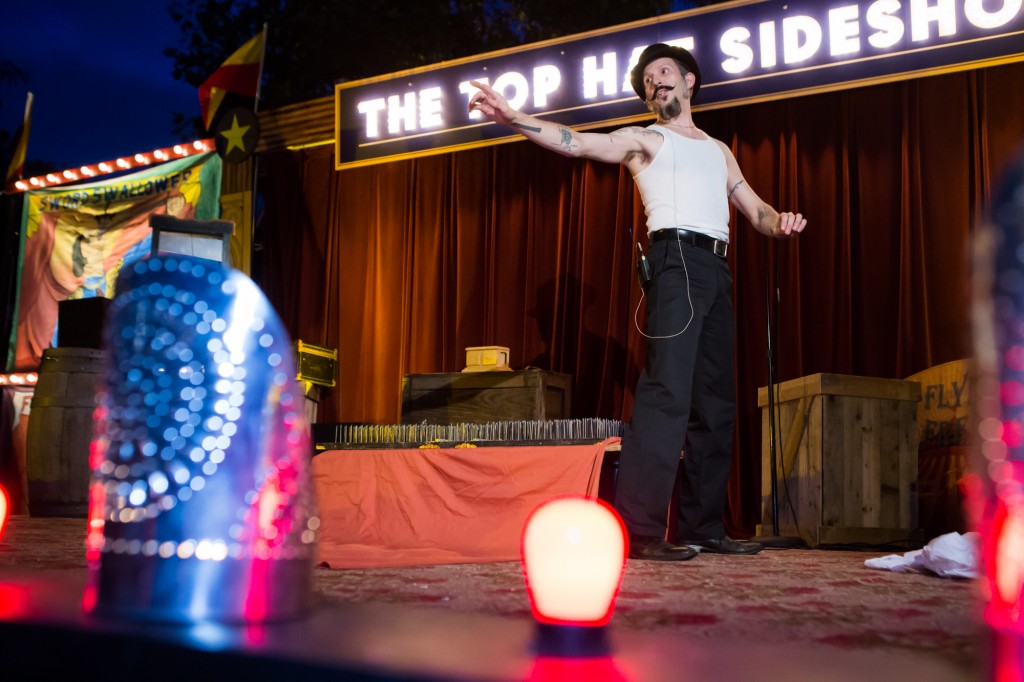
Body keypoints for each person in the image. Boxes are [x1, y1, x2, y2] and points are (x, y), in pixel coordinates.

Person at [469, 43, 805, 561]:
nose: (655, 82)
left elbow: (755, 209)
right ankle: (641, 531)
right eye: (648, 79)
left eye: (664, 71)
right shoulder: (644, 140)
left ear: (689, 80)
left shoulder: (719, 150)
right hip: (675, 264)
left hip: (717, 268)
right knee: (665, 395)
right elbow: (577, 143)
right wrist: (514, 117)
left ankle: (702, 526)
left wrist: (779, 223)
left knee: (715, 402)